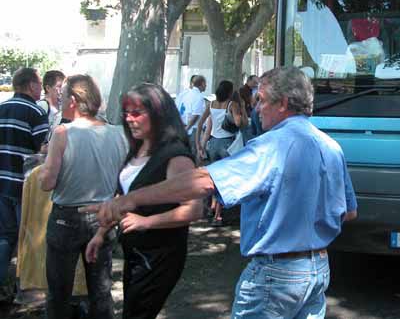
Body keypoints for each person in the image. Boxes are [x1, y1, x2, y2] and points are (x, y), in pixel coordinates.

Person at [86, 66, 358, 319]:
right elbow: (348, 211)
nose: (255, 108)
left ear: (284, 103)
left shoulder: (272, 146)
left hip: (277, 274)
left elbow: (204, 180)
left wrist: (130, 200)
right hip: (317, 269)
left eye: (261, 100)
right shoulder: (331, 146)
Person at [85, 83, 202, 319]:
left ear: (158, 114)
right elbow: (123, 198)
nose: (129, 119)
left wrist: (146, 222)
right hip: (135, 250)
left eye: (136, 113)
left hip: (160, 255)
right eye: (126, 113)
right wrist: (100, 233)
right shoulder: (137, 148)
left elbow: (194, 209)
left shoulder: (176, 155)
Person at [38, 74, 128, 319]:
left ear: (74, 100)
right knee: (100, 291)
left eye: (64, 94)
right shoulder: (119, 133)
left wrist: (42, 166)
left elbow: (47, 183)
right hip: (104, 216)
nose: (60, 98)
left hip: (66, 217)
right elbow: (124, 180)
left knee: (59, 292)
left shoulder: (62, 133)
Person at [0, 68, 48, 302]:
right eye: (39, 84)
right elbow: (44, 150)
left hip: (1, 184)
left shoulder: (1, 109)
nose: (41, 89)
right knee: (28, 237)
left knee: (5, 236)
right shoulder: (35, 113)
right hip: (23, 187)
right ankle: (26, 289)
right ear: (30, 85)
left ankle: (2, 285)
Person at [196, 80, 247, 226]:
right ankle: (218, 215)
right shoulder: (232, 105)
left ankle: (211, 208)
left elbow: (201, 124)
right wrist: (242, 109)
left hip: (213, 144)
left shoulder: (211, 104)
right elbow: (239, 123)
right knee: (224, 179)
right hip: (227, 144)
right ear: (230, 92)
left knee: (214, 177)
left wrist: (200, 145)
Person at [182, 75, 208, 162]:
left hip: (186, 126)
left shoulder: (186, 94)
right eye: (205, 84)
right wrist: (187, 128)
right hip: (194, 129)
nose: (206, 86)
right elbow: (196, 115)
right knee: (194, 154)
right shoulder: (199, 97)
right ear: (202, 84)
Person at [37, 70, 66, 138]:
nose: (62, 90)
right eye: (59, 86)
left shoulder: (62, 105)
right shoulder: (42, 106)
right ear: (48, 88)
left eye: (64, 86)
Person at [239, 75, 259, 143]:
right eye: (254, 82)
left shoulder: (252, 90)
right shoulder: (244, 90)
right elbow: (252, 104)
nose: (256, 84)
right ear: (249, 81)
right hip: (246, 117)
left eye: (257, 83)